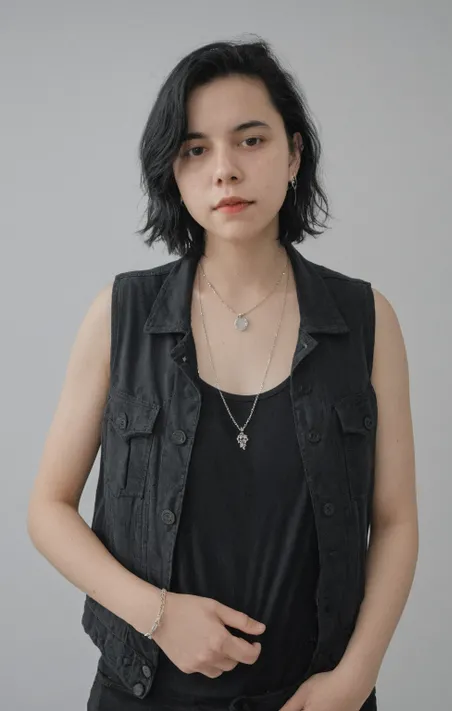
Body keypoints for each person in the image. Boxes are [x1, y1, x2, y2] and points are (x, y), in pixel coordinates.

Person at [27, 37, 418, 711]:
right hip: (143, 693)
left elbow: (396, 519)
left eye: (252, 140)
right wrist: (157, 614)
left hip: (314, 697)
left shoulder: (366, 319)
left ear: (294, 154)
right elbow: (47, 509)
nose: (225, 171)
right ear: (172, 173)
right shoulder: (120, 314)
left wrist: (354, 679)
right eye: (195, 149)